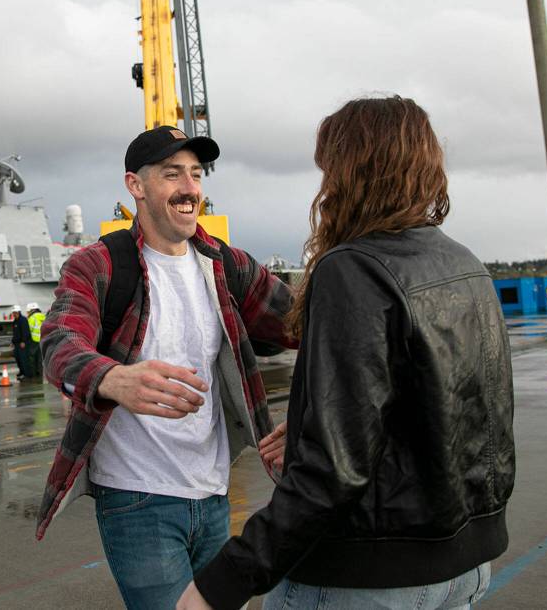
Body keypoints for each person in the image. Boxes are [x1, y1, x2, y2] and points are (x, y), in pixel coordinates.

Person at [177, 97, 516, 610]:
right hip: (466, 565)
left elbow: (334, 472)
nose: (325, 185)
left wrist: (225, 580)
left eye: (329, 169)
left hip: (368, 576)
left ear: (354, 170)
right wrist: (323, 417)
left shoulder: (352, 269)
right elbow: (467, 411)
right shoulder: (464, 262)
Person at [36, 125, 296, 608]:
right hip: (138, 499)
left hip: (215, 491)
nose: (189, 188)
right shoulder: (99, 264)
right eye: (172, 173)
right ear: (135, 185)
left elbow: (305, 324)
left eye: (196, 174)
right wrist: (113, 378)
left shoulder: (227, 265)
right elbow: (58, 342)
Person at [9, 305, 32, 380]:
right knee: (18, 359)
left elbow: (25, 332)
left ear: (18, 312)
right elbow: (15, 333)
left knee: (24, 359)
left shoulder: (23, 320)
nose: (13, 314)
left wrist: (23, 341)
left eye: (15, 313)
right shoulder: (15, 321)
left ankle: (26, 374)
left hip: (22, 343)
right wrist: (12, 341)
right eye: (13, 313)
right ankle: (21, 372)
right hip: (16, 343)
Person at [24, 302, 45, 380]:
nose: (27, 313)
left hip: (33, 340)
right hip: (42, 340)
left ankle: (32, 374)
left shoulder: (32, 318)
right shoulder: (43, 316)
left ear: (31, 310)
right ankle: (39, 373)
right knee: (39, 358)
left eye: (28, 311)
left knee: (31, 358)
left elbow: (28, 330)